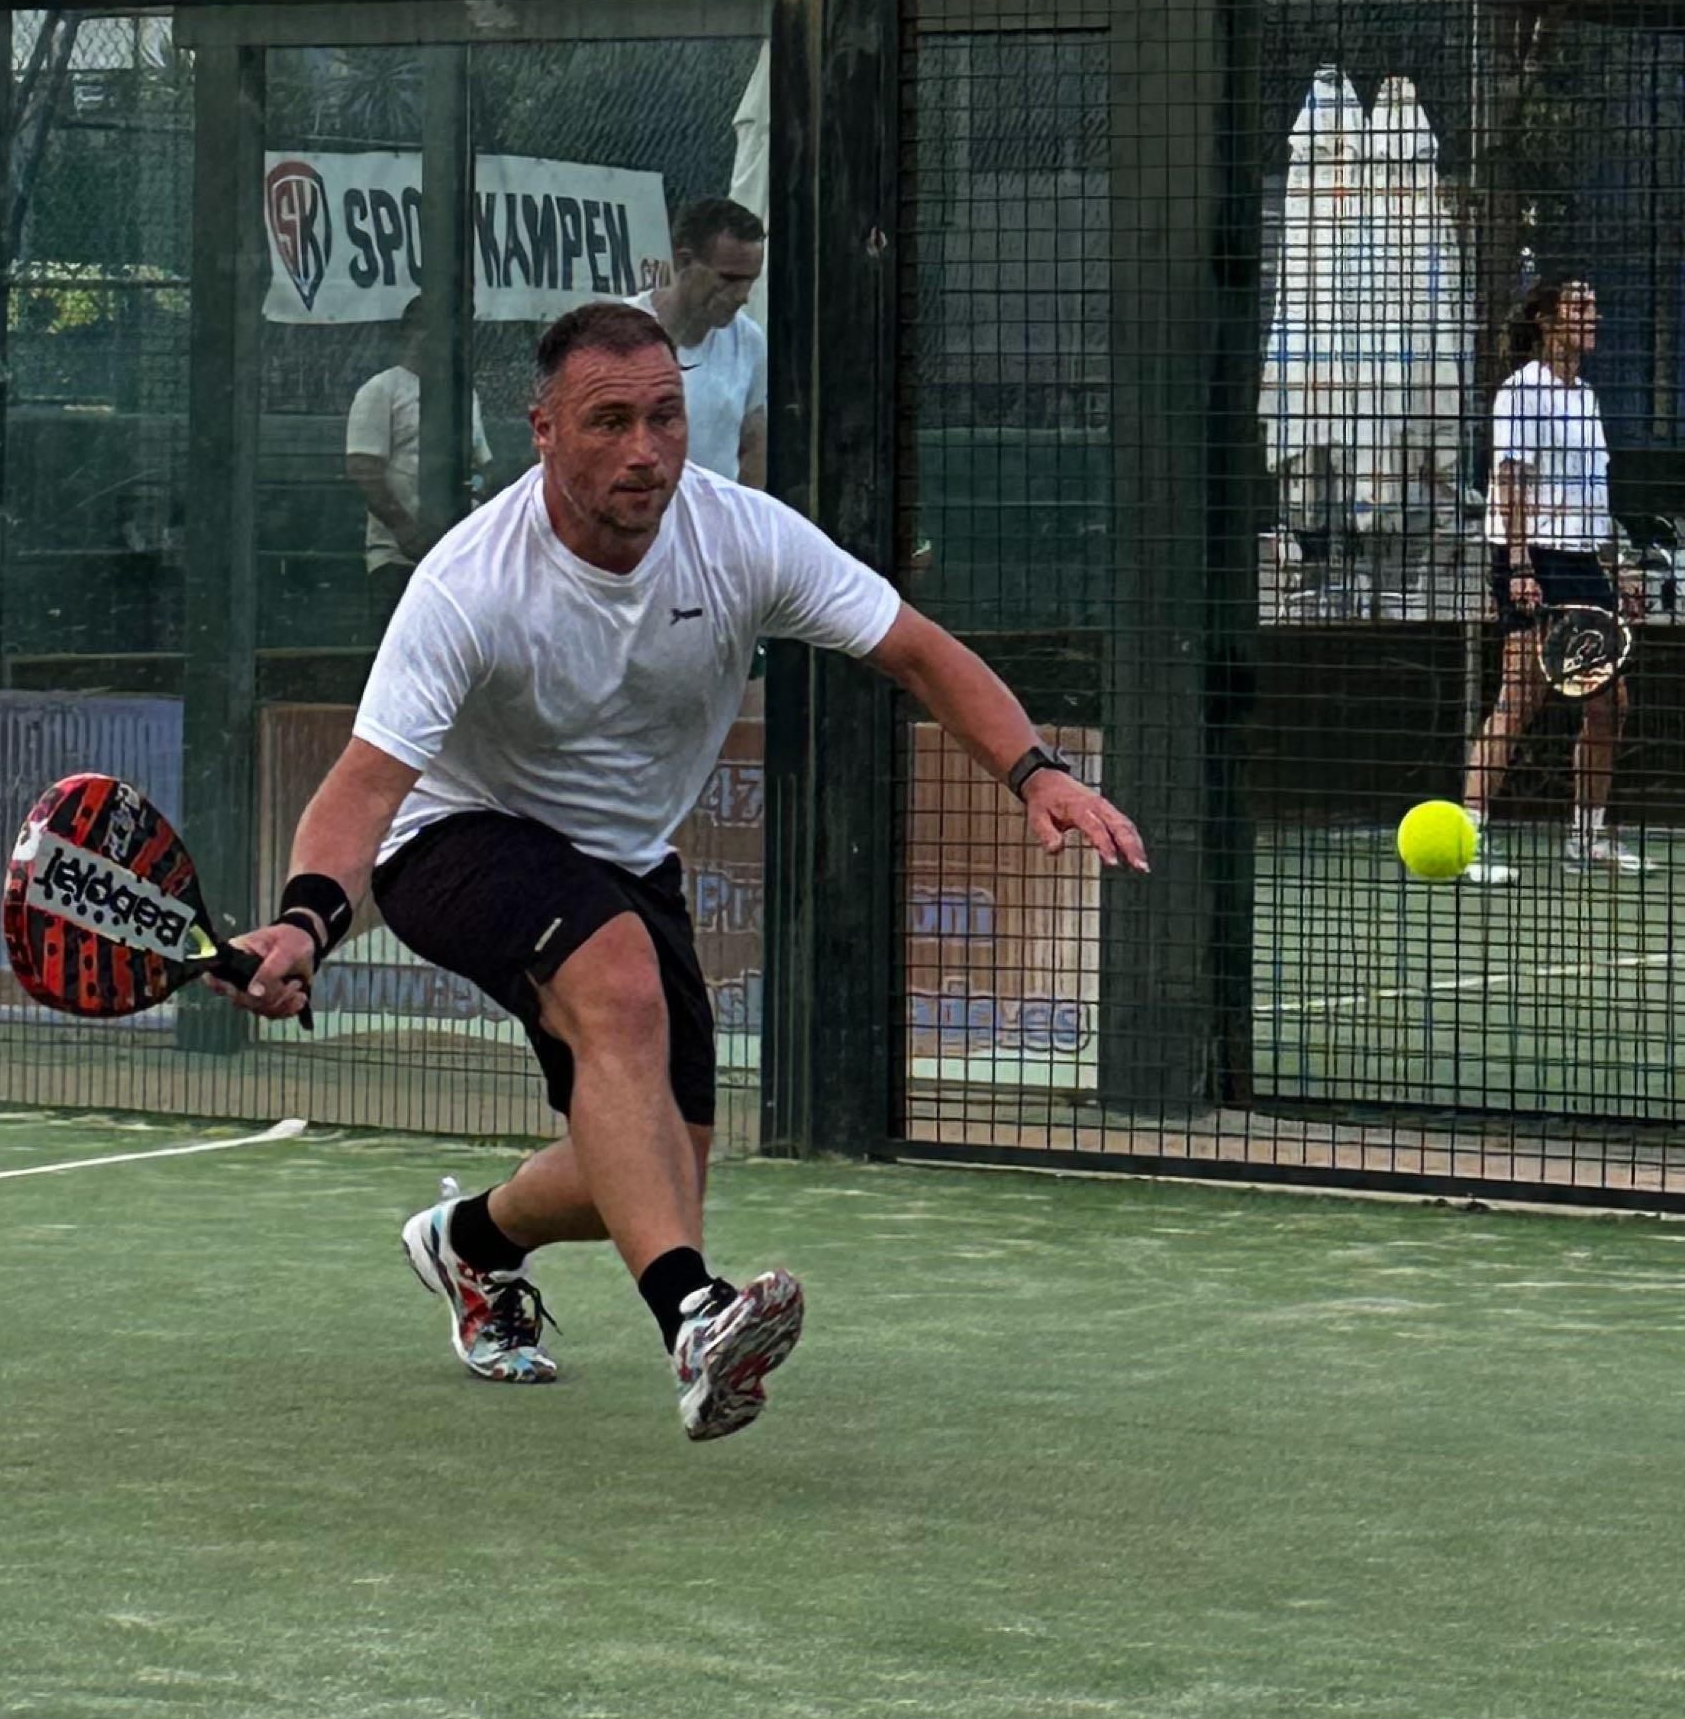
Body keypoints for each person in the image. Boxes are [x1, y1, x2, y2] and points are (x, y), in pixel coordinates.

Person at [230, 299, 1147, 1444]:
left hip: (625, 862)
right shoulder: (470, 582)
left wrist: (1036, 773)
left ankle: (468, 1244)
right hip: (454, 835)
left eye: (664, 416)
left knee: (658, 1170)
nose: (646, 450)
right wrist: (304, 923)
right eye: (609, 422)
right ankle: (695, 1319)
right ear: (543, 431)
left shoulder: (741, 536)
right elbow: (364, 787)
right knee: (618, 985)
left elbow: (919, 651)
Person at [1460, 276, 1640, 881]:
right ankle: (1467, 840)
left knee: (1610, 701)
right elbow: (1510, 481)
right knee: (1520, 697)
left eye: (1594, 306)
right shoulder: (1521, 392)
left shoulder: (1586, 397)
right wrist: (1518, 566)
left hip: (1584, 564)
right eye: (1579, 307)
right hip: (1533, 557)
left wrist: (1618, 567)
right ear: (1547, 320)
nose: (1592, 317)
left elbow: (1594, 495)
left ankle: (1586, 840)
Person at [345, 295, 492, 618]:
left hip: (457, 559)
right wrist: (406, 531)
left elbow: (482, 463)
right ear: (411, 332)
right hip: (397, 561)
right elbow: (364, 469)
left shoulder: (464, 394)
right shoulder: (381, 389)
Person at [646, 196, 768, 484]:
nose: (742, 296)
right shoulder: (621, 331)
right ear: (684, 261)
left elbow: (754, 443)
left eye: (750, 281)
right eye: (729, 279)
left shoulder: (749, 341)